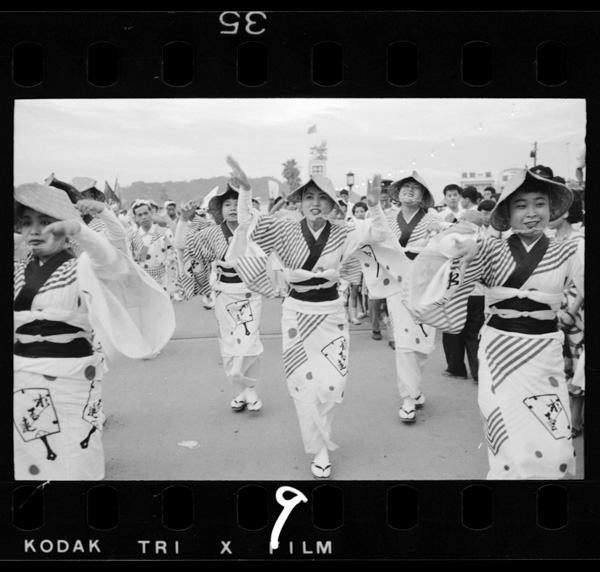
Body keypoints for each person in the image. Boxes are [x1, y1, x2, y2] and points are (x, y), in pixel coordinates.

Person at [412, 168, 583, 480]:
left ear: (551, 209)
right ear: (507, 213)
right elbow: (449, 245)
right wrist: (461, 246)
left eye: (540, 204)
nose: (532, 213)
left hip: (544, 354)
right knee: (505, 433)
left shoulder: (570, 249)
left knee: (554, 441)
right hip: (499, 351)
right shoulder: (490, 247)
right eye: (521, 205)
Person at [230, 158, 394, 480]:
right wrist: (246, 191)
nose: (315, 203)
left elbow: (379, 234)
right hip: (297, 313)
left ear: (333, 205)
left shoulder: (345, 231)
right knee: (303, 383)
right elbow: (248, 223)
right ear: (300, 203)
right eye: (309, 197)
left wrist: (375, 206)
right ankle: (319, 448)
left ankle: (322, 434)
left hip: (331, 313)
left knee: (334, 382)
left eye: (322, 198)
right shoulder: (282, 227)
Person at [13, 183, 175, 481]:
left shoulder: (83, 267)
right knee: (30, 455)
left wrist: (80, 230)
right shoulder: (16, 270)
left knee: (74, 457)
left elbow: (112, 259)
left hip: (70, 377)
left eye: (46, 222)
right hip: (22, 376)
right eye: (27, 222)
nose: (36, 230)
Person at [176, 174, 266, 413]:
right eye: (227, 203)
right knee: (228, 345)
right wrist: (183, 220)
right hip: (224, 295)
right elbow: (184, 247)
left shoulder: (255, 230)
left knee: (248, 342)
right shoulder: (211, 233)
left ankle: (250, 387)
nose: (233, 208)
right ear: (220, 209)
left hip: (248, 293)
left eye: (237, 202)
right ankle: (240, 391)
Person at [380, 171, 439, 423]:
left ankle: (414, 388)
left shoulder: (433, 219)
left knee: (423, 344)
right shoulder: (387, 219)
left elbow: (445, 246)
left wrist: (438, 233)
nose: (410, 190)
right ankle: (407, 398)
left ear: (423, 196)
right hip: (397, 285)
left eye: (416, 187)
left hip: (425, 286)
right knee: (404, 343)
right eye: (406, 186)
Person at [547, 191, 585, 438]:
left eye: (553, 209)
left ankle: (576, 419)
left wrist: (571, 312)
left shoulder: (580, 240)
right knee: (559, 363)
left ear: (567, 211)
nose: (547, 214)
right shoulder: (549, 240)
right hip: (553, 308)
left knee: (577, 360)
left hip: (575, 311)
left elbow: (584, 282)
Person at [127, 199, 179, 302]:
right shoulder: (131, 237)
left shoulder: (164, 232)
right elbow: (130, 261)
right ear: (135, 218)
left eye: (146, 213)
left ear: (151, 213)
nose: (143, 217)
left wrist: (172, 283)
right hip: (143, 280)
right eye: (140, 215)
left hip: (163, 278)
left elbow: (174, 255)